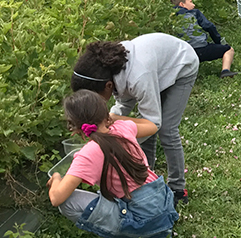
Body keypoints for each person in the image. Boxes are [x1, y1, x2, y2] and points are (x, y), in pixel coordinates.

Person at [70, 33, 198, 205]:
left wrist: (113, 140)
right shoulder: (112, 72)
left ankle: (177, 188)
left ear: (108, 86)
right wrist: (108, 124)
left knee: (167, 129)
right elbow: (122, 105)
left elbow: (153, 123)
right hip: (154, 70)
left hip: (181, 64)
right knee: (141, 123)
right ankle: (145, 181)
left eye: (97, 100)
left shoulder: (138, 77)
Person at [48, 90, 178, 238]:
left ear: (74, 128)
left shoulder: (88, 153)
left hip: (142, 220)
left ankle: (131, 234)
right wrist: (115, 118)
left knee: (68, 202)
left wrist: (57, 178)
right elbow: (152, 126)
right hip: (162, 206)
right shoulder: (123, 127)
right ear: (105, 114)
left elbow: (56, 198)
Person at [173, 0, 238, 78]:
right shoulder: (194, 13)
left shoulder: (171, 17)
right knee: (229, 50)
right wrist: (218, 41)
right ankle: (225, 71)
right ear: (182, 4)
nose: (194, 5)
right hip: (201, 48)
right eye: (191, 2)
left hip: (183, 52)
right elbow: (209, 27)